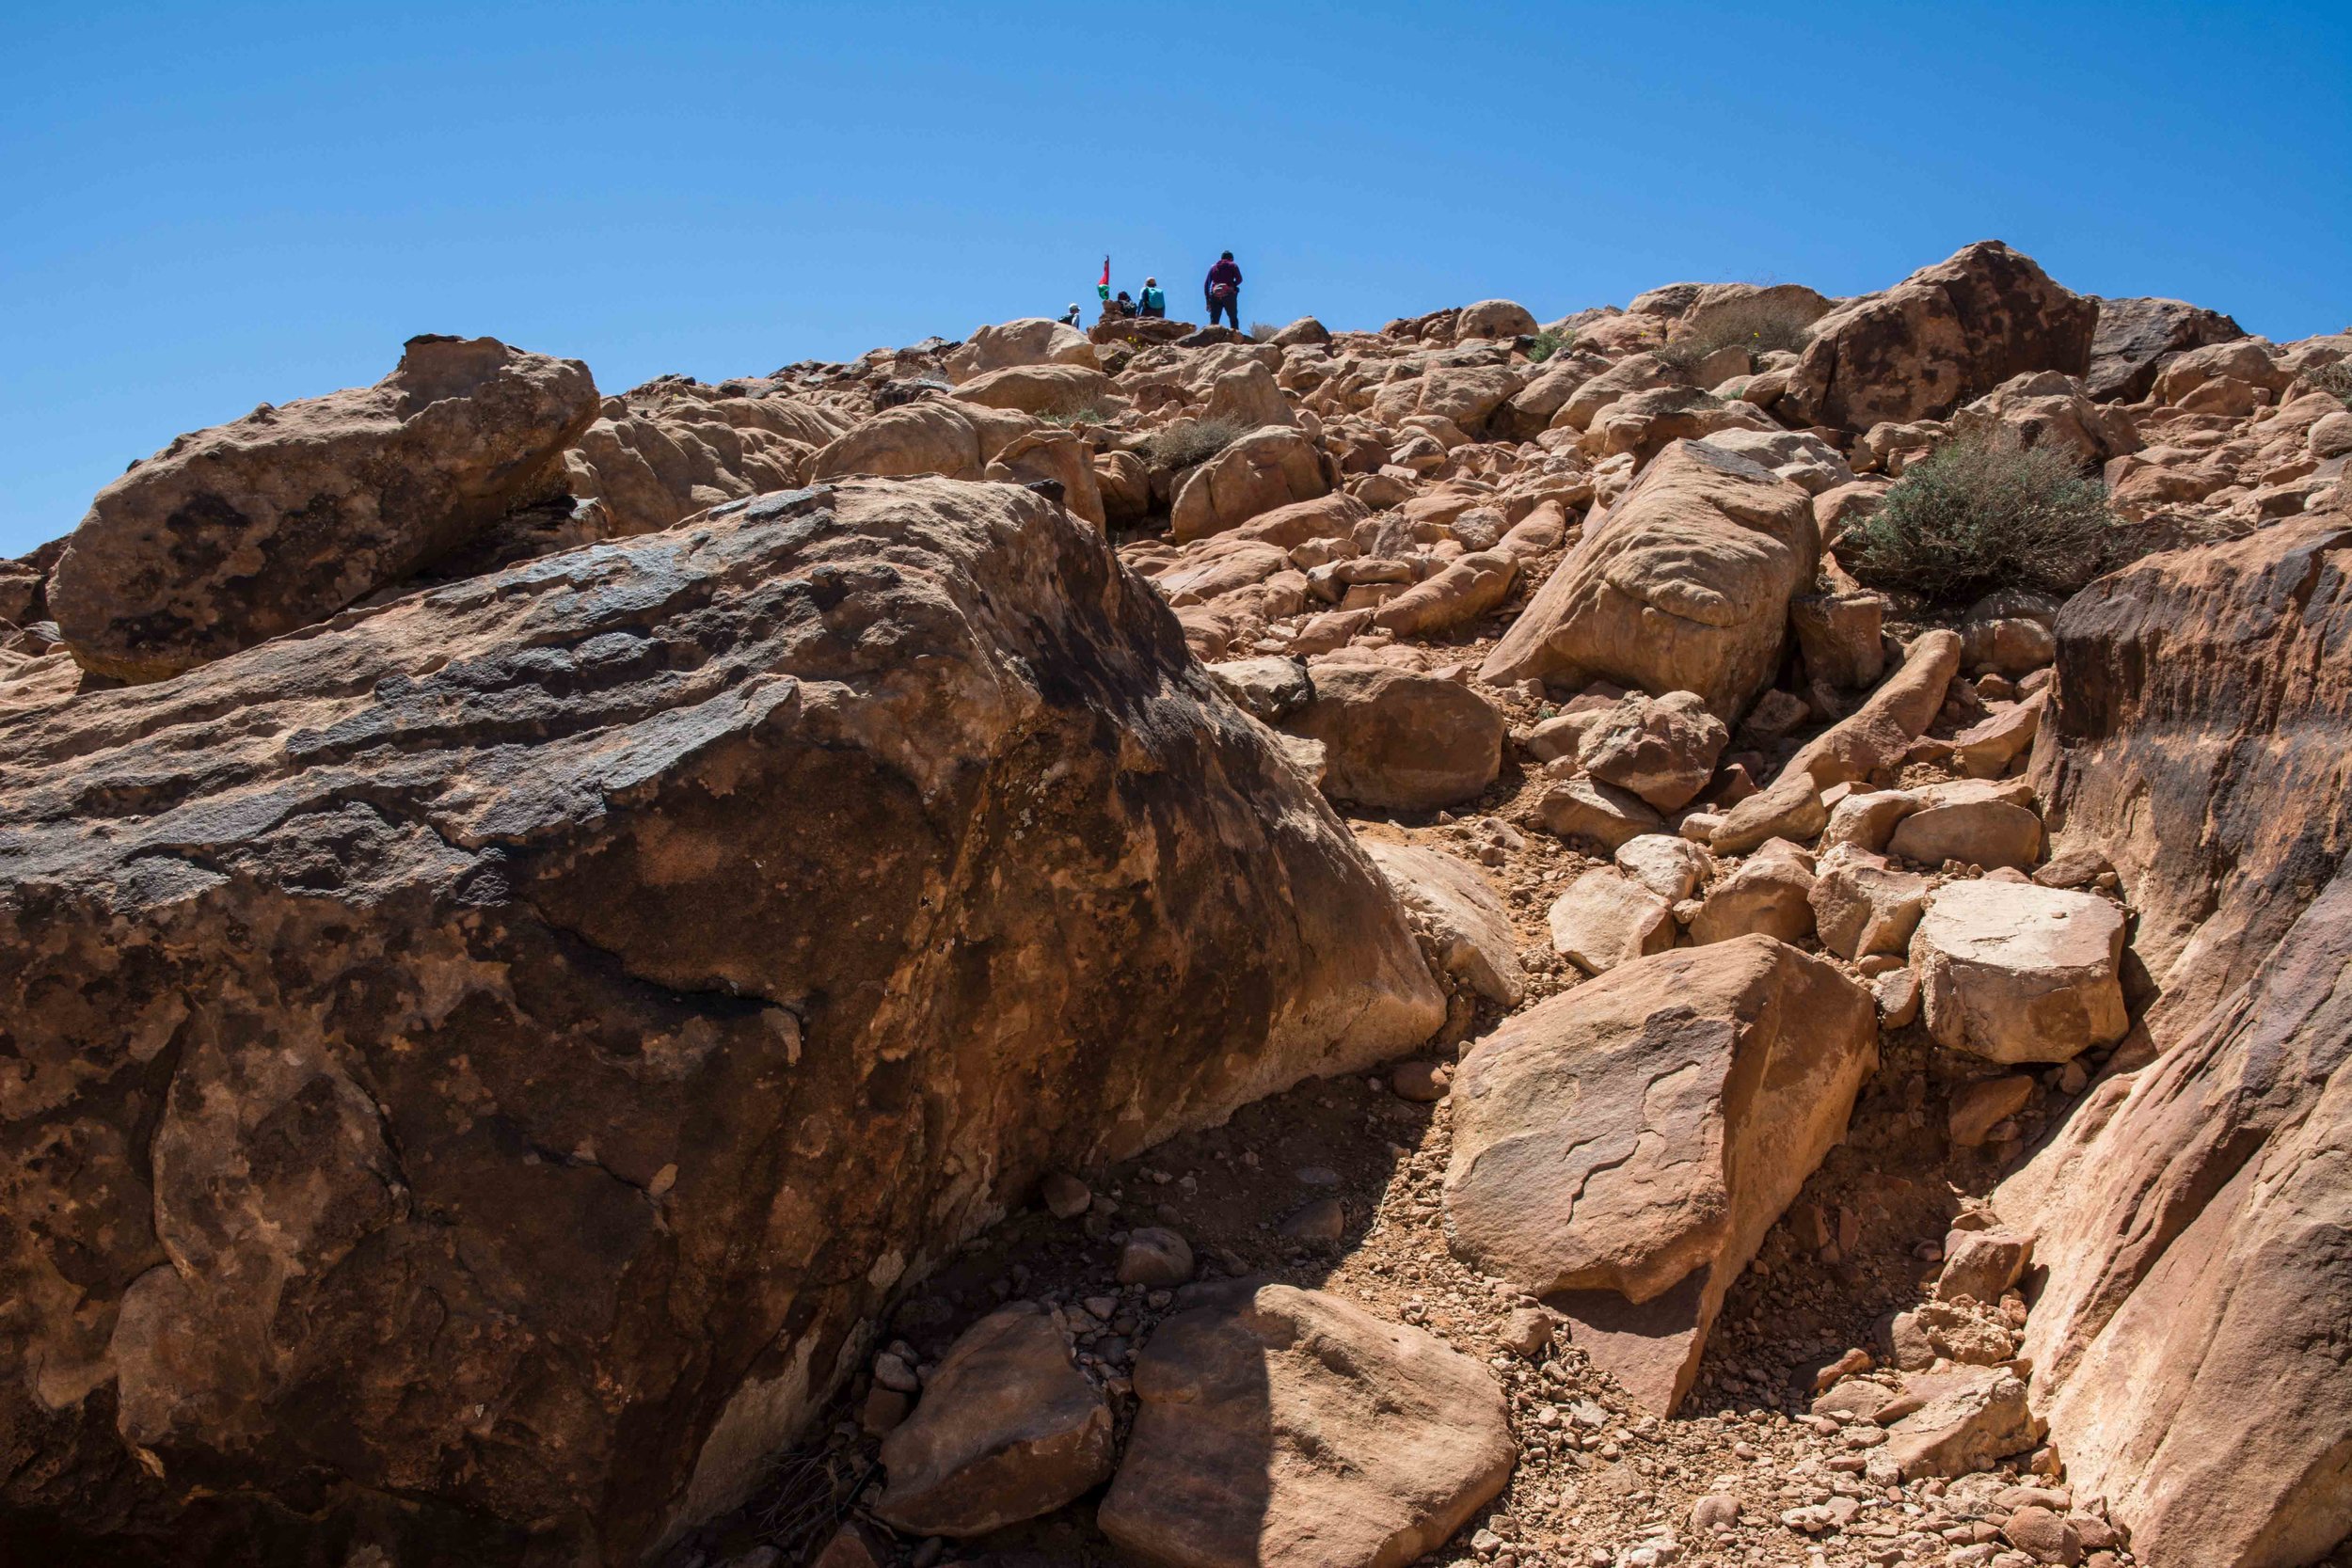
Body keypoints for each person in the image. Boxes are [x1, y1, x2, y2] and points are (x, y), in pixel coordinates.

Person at [1203, 251, 1242, 329]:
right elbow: (1239, 279)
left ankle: (1212, 339)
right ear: (1231, 258)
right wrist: (1231, 286)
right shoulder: (1233, 265)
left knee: (1214, 321)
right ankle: (1235, 337)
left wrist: (1208, 300)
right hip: (1229, 295)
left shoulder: (1213, 267)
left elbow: (1206, 284)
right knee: (1233, 318)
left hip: (1215, 295)